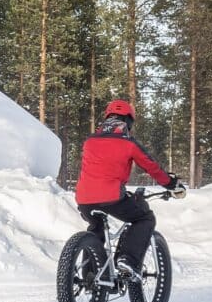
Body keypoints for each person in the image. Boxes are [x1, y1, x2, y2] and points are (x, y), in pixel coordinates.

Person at [74, 99, 180, 279]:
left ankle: (91, 274)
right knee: (144, 218)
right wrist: (171, 183)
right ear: (128, 121)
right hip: (112, 197)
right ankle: (128, 260)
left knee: (96, 228)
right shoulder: (128, 143)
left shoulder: (90, 141)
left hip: (84, 199)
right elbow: (151, 166)